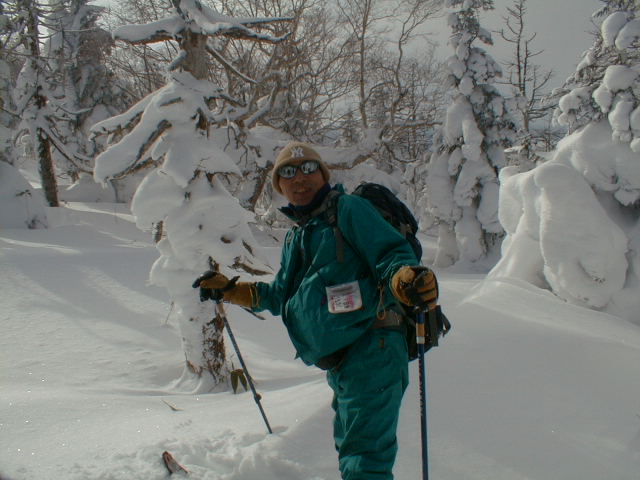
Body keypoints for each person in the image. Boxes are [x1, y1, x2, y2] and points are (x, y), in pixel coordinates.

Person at [193, 141, 438, 480]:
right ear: (279, 185)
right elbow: (280, 295)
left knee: (365, 457)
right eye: (288, 172)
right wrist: (231, 291)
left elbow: (390, 253)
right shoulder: (299, 235)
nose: (299, 178)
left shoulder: (349, 209)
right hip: (342, 360)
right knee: (351, 448)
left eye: (308, 168)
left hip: (374, 346)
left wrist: (403, 277)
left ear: (323, 174)